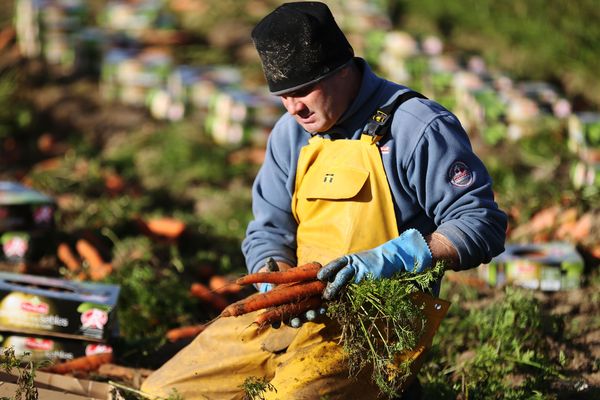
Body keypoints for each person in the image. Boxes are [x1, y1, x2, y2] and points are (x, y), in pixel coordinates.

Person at [141, 2, 507, 399]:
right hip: (299, 316)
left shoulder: (417, 127)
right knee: (163, 391)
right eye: (282, 95)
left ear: (343, 69)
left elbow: (480, 222)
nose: (294, 107)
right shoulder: (290, 135)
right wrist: (278, 287)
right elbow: (269, 228)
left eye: (303, 91)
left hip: (377, 327)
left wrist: (396, 258)